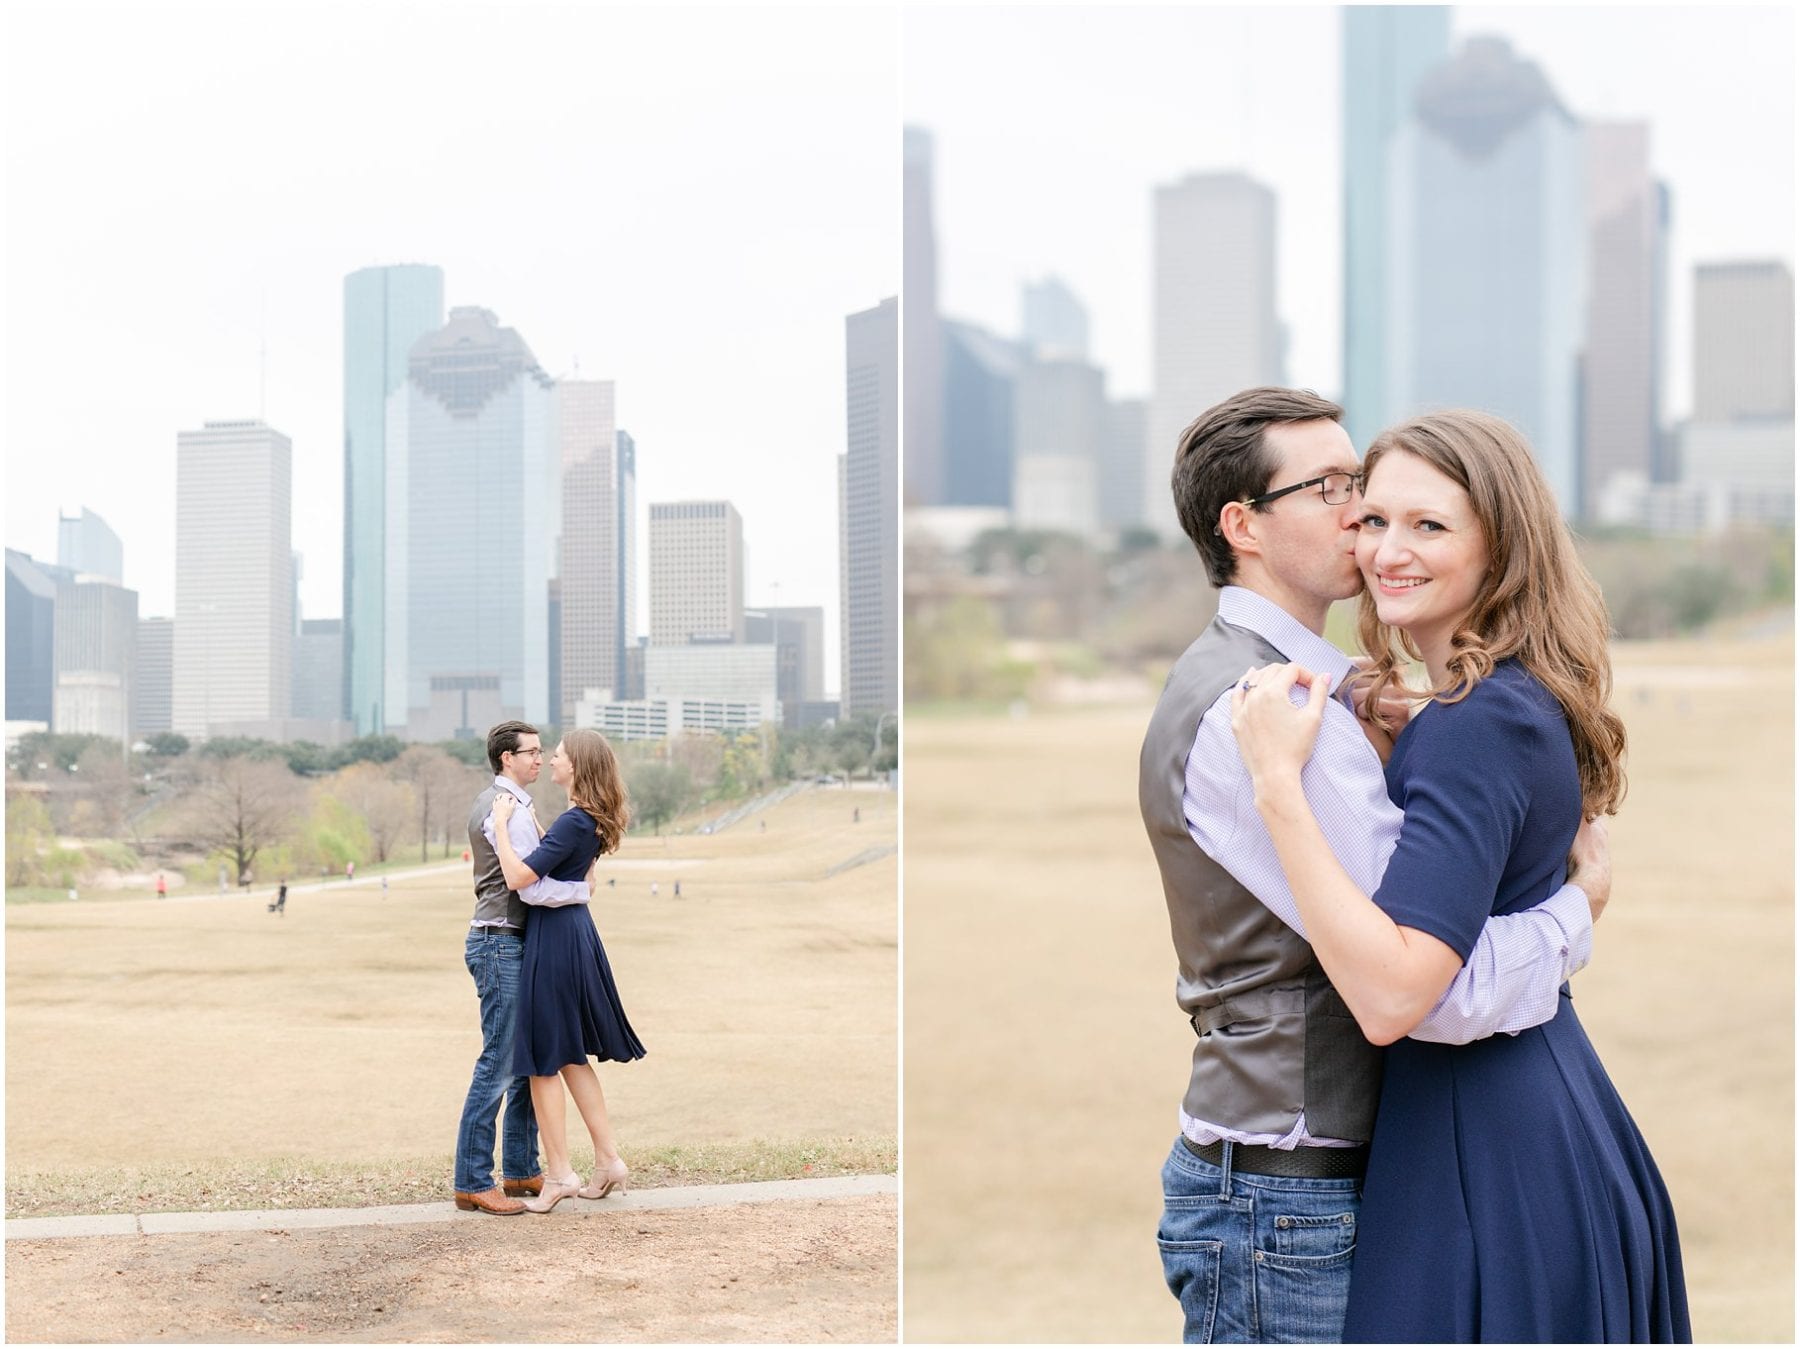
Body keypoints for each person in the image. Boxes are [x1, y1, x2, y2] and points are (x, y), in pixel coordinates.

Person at [1141, 388, 1608, 1343]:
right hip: (1287, 1201)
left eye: (1364, 483)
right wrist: (1576, 911)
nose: (1360, 512)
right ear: (1245, 526)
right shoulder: (1266, 711)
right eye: (1332, 487)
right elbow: (1422, 992)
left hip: (1300, 1186)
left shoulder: (1326, 700)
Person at [1231, 409, 1687, 1341]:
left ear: (1501, 548)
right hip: (1524, 1119)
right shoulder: (1497, 701)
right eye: (1374, 520)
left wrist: (1279, 784)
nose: (1387, 551)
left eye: (1429, 526)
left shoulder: (1474, 722)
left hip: (1488, 1153)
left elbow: (1398, 992)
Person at [491, 728, 645, 1213]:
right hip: (573, 933)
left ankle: (559, 1174)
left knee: (542, 1060)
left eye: (555, 755)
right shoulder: (587, 821)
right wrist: (540, 834)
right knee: (572, 1057)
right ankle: (608, 1161)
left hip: (555, 939)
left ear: (576, 766)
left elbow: (520, 879)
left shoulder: (574, 822)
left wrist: (500, 827)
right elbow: (572, 877)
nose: (549, 761)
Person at [451, 720, 585, 1217]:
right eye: (530, 752)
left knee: (526, 1059)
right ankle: (471, 1180)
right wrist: (580, 890)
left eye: (540, 751)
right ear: (506, 758)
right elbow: (525, 883)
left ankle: (522, 1167)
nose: (539, 758)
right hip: (499, 942)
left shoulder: (514, 805)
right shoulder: (503, 810)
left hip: (513, 942)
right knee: (500, 1061)